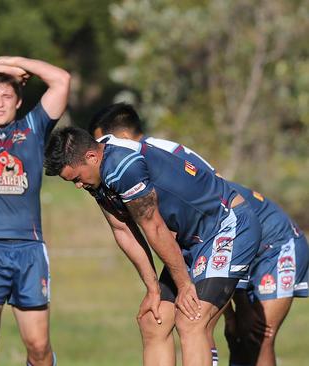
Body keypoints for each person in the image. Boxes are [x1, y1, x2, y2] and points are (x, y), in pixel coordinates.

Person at [90, 103, 309, 366]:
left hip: (272, 243)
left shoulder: (157, 154)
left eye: (100, 141)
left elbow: (217, 213)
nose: (98, 151)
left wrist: (240, 302)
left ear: (120, 138)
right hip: (212, 243)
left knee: (253, 335)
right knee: (204, 323)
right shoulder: (124, 172)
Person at [44, 126, 261, 366]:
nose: (77, 185)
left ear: (92, 157)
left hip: (226, 225)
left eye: (76, 178)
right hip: (190, 243)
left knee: (191, 319)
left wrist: (184, 284)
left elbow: (154, 227)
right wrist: (153, 289)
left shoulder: (122, 167)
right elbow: (123, 229)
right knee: (152, 321)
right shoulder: (96, 175)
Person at [0, 57, 70, 366]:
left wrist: (17, 64)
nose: (0, 103)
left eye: (7, 96)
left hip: (29, 250)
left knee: (38, 347)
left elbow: (61, 80)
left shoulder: (33, 127)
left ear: (18, 101)